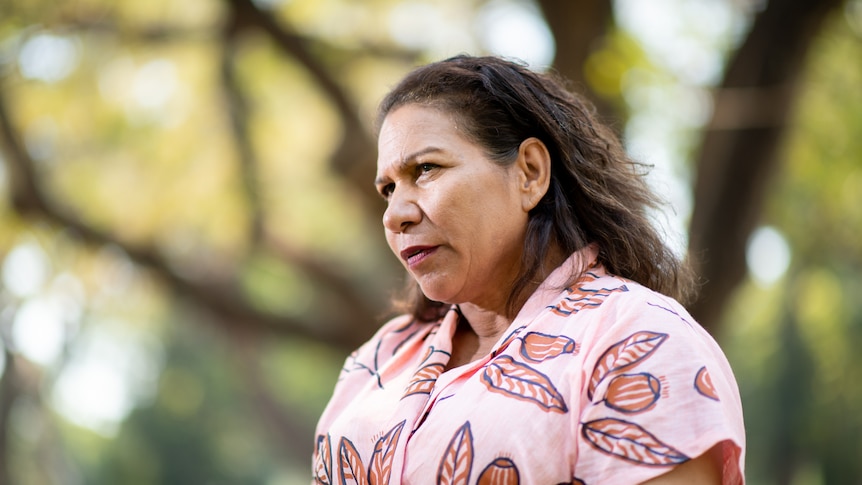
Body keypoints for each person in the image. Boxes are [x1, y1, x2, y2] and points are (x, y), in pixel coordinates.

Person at [313, 55, 745, 484]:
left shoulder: (640, 342)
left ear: (530, 173)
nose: (394, 215)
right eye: (388, 189)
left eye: (426, 169)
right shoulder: (379, 358)